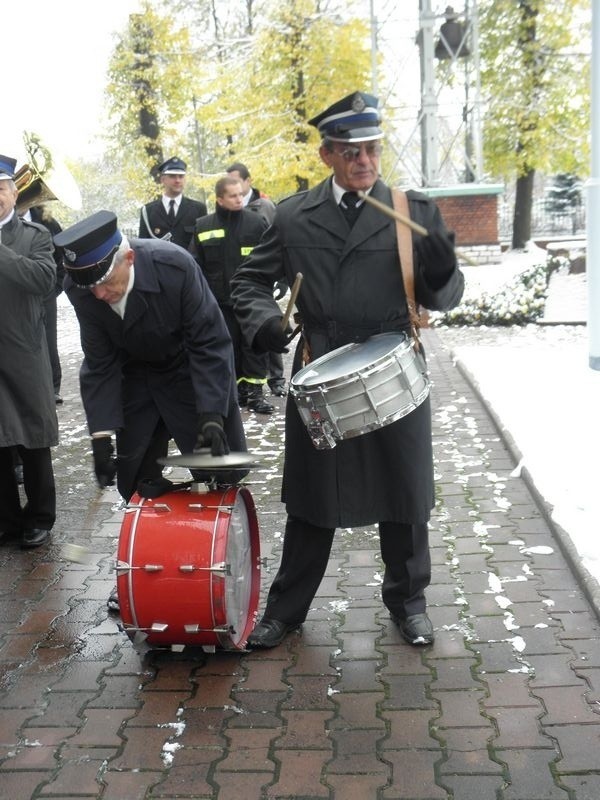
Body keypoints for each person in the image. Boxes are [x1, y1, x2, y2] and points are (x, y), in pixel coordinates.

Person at [230, 91, 465, 649]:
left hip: (394, 370)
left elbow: (444, 296)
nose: (364, 160)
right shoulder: (291, 216)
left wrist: (441, 268)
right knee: (312, 498)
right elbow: (248, 283)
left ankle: (409, 603)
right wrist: (267, 324)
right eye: (350, 151)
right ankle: (287, 611)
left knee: (404, 496)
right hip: (320, 370)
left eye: (371, 149)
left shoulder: (413, 211)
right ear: (327, 155)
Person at [55, 210, 247, 508]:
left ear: (128, 258)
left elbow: (209, 342)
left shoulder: (174, 266)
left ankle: (220, 537)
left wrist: (211, 414)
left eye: (105, 282)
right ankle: (157, 543)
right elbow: (100, 361)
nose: (99, 294)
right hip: (137, 376)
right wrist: (101, 434)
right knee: (134, 477)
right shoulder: (80, 290)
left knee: (218, 465)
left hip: (189, 370)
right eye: (90, 287)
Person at [0, 154, 58, 548]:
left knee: (33, 439)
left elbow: (42, 279)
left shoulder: (35, 236)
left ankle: (40, 517)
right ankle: (6, 520)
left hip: (23, 349)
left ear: (13, 191)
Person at [189, 175, 275, 415]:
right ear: (219, 199)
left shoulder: (257, 224)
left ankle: (256, 395)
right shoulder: (203, 226)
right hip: (219, 301)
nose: (239, 199)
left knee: (255, 346)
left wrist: (280, 281)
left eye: (241, 194)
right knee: (229, 347)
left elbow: (273, 254)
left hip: (253, 298)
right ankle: (236, 395)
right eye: (233, 196)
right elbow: (194, 265)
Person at [225, 161, 286, 396]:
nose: (233, 186)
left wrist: (281, 280)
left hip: (263, 276)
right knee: (250, 332)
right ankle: (250, 384)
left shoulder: (265, 206)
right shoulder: (230, 202)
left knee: (271, 325)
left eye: (237, 180)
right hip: (242, 279)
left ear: (248, 181)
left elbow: (278, 244)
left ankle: (277, 378)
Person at [27, 205, 65, 403]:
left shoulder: (45, 218)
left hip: (44, 292)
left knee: (48, 339)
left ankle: (52, 387)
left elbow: (63, 252)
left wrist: (56, 285)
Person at [138, 157, 207, 250]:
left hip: (188, 264)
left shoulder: (198, 209)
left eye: (181, 176)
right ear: (163, 179)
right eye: (172, 176)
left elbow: (204, 246)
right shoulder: (148, 211)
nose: (177, 180)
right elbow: (143, 247)